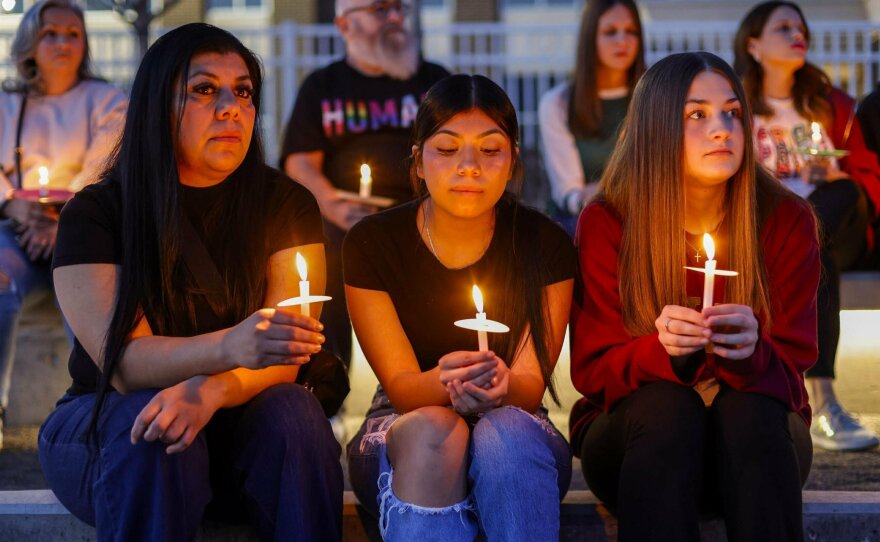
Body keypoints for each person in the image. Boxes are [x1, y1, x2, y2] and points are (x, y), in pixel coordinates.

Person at [37, 24, 343, 541]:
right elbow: (127, 365)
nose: (231, 108)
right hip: (108, 423)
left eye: (243, 91)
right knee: (151, 426)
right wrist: (231, 345)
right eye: (205, 89)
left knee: (295, 411)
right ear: (158, 104)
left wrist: (210, 390)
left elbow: (285, 353)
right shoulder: (96, 213)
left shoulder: (286, 205)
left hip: (237, 420)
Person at [569, 52, 818, 542]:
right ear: (656, 126)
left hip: (756, 448)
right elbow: (593, 371)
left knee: (748, 408)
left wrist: (754, 354)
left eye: (732, 112)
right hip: (638, 448)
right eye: (697, 115)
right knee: (667, 407)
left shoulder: (786, 220)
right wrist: (661, 352)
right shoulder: (609, 220)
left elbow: (792, 371)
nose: (722, 129)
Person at [344, 74, 575, 541]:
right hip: (406, 421)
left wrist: (500, 387)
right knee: (434, 429)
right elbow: (406, 388)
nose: (468, 166)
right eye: (447, 149)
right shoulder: (372, 243)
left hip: (516, 425)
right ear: (419, 161)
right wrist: (448, 383)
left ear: (512, 161)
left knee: (506, 436)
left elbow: (529, 388)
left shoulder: (544, 243)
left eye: (490, 150)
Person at [280, 0, 449, 392]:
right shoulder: (322, 86)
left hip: (424, 216)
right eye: (380, 9)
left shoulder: (434, 82)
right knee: (325, 253)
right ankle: (327, 378)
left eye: (399, 9)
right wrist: (335, 206)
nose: (394, 18)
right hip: (343, 220)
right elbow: (300, 163)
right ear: (344, 24)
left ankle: (434, 377)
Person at [734, 0, 880, 451]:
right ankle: (823, 400)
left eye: (801, 27)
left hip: (837, 222)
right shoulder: (735, 107)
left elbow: (867, 178)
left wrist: (839, 174)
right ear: (754, 44)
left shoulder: (833, 104)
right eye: (784, 27)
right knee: (815, 256)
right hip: (771, 234)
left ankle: (817, 401)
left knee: (832, 206)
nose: (798, 33)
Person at [0, 0, 126, 449]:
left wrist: (66, 225)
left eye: (73, 34)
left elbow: (103, 168)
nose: (63, 42)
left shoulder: (107, 101)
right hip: (17, 233)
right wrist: (12, 206)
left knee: (90, 284)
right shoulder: (7, 104)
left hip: (83, 230)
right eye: (51, 33)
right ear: (30, 42)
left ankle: (99, 407)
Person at [537, 0, 644, 235]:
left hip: (645, 221)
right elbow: (570, 192)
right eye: (610, 32)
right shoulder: (558, 103)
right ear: (590, 37)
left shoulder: (653, 96)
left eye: (631, 31)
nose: (622, 41)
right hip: (581, 225)